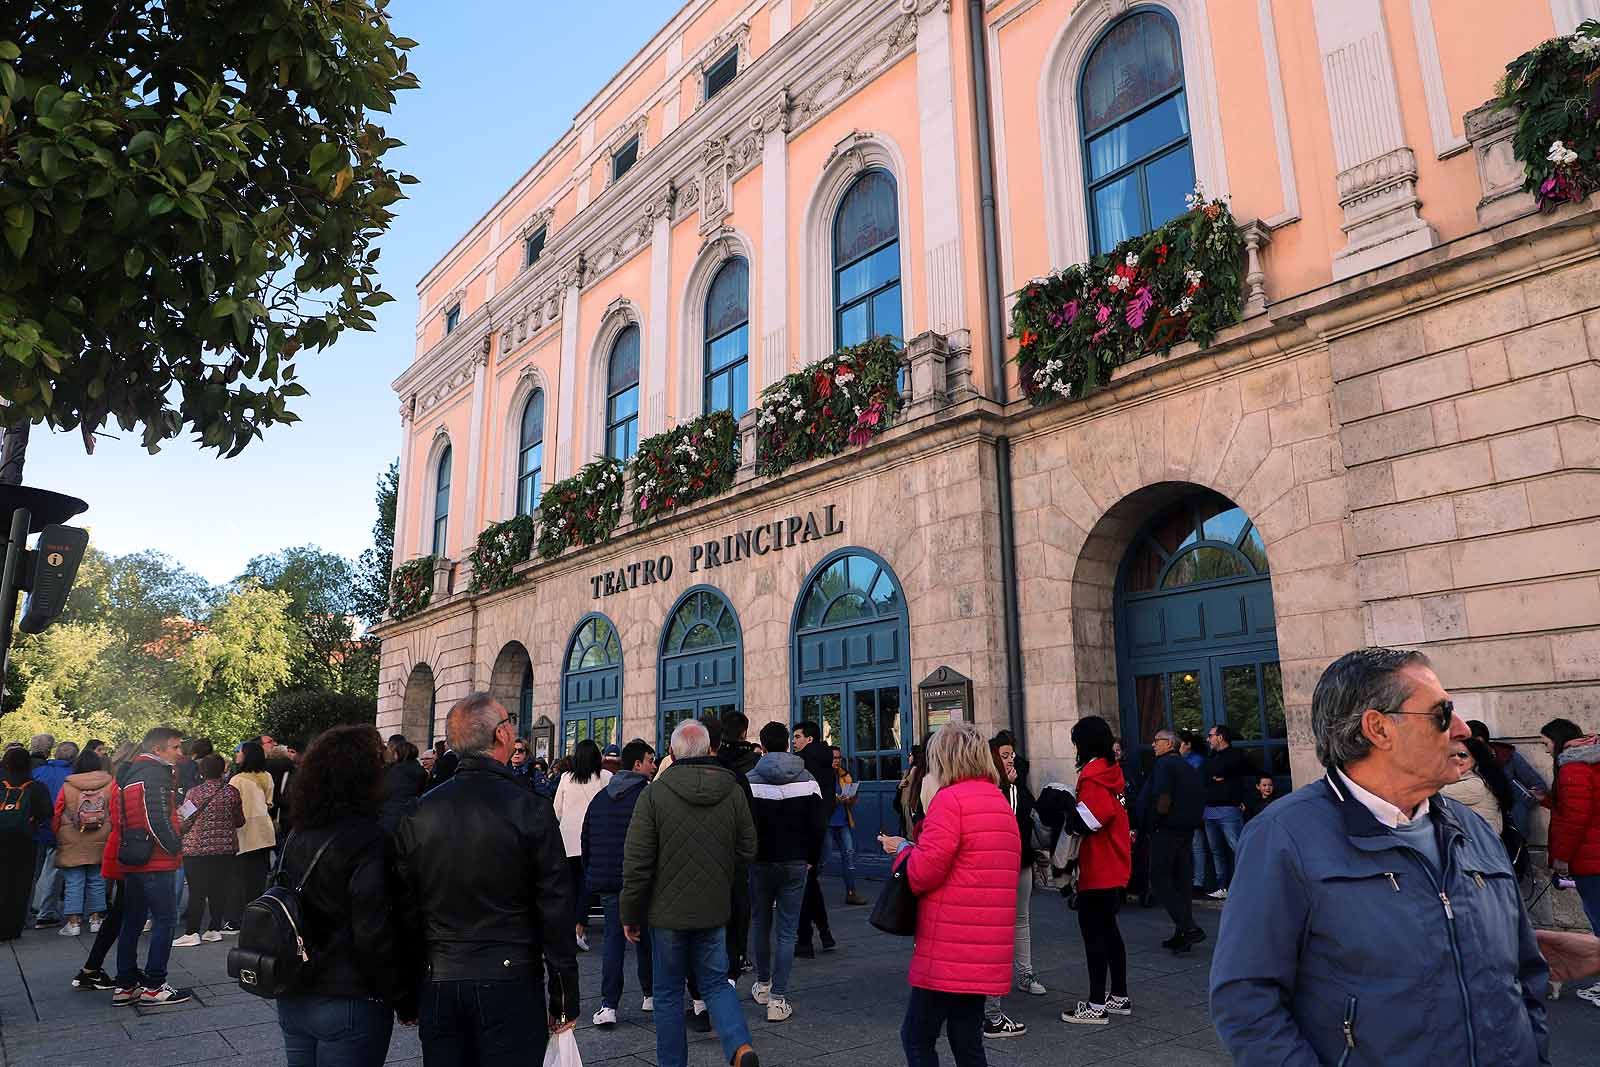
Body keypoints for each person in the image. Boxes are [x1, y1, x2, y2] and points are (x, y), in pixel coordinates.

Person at [1211, 648, 1549, 1065]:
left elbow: (1525, 973)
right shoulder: (1283, 838)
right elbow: (1247, 1004)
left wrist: (1533, 1053)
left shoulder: (1472, 828)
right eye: (1442, 714)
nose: (1461, 729)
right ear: (1379, 728)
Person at [394, 693, 579, 1065]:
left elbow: (404, 910)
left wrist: (408, 992)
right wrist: (563, 995)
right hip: (509, 980)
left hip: (441, 977)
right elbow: (555, 907)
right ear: (501, 733)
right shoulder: (530, 808)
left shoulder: (420, 811)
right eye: (509, 721)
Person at [878, 721, 1020, 1066]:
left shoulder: (950, 800)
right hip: (984, 943)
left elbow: (922, 874)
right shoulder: (998, 801)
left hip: (950, 945)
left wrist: (904, 851)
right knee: (967, 1039)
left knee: (916, 1037)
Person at [620, 719, 759, 1067]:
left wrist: (630, 913)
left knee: (667, 993)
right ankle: (740, 1045)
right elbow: (748, 848)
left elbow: (637, 863)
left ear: (672, 753)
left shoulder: (654, 794)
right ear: (709, 749)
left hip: (666, 913)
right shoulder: (732, 790)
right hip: (713, 906)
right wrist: (721, 874)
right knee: (715, 982)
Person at [276, 726, 416, 1067]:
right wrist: (402, 997)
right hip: (349, 996)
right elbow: (373, 932)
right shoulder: (369, 839)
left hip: (295, 989)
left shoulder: (298, 833)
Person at [106, 727, 192, 1006]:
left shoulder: (128, 775)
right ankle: (155, 986)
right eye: (176, 747)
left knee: (132, 921)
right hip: (156, 860)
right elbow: (155, 819)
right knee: (165, 920)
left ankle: (126, 984)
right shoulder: (155, 774)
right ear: (158, 750)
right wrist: (175, 842)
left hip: (133, 857)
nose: (180, 753)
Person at [745, 720, 825, 1023]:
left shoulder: (749, 779)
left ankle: (763, 984)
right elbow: (818, 827)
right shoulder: (807, 778)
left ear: (763, 747)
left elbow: (743, 825)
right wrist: (811, 858)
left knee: (760, 923)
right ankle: (778, 999)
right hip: (795, 861)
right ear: (788, 743)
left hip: (760, 862)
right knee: (788, 931)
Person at [1062, 715, 1133, 1026]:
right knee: (1110, 931)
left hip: (1099, 864)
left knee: (1094, 935)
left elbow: (1094, 817)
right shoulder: (1111, 770)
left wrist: (1068, 810)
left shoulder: (1091, 774)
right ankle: (1118, 995)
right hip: (1115, 861)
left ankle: (1095, 1004)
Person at [582, 738, 656, 1027]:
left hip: (609, 880)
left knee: (613, 941)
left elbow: (587, 838)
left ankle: (608, 1005)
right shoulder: (648, 796)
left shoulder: (601, 797)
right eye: (650, 761)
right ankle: (650, 993)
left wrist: (593, 872)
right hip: (641, 880)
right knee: (646, 937)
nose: (653, 766)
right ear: (637, 764)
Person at [978, 730, 1042, 1041]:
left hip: (1021, 860)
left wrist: (1016, 784)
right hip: (996, 864)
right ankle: (991, 994)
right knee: (993, 926)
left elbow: (1027, 815)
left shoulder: (1018, 782)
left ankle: (1025, 974)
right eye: (1004, 755)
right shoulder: (988, 786)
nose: (1010, 760)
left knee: (1022, 918)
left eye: (1011, 755)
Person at [1539, 716, 1600, 1008]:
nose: (1546, 751)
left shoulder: (1573, 768)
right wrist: (1549, 800)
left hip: (1592, 859)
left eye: (1547, 744)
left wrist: (1562, 858)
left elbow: (1575, 819)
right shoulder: (1589, 762)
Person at [1136, 729, 1205, 954]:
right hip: (1185, 829)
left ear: (1169, 744)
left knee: (1158, 877)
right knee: (1181, 880)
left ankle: (1188, 927)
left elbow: (1163, 798)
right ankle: (1182, 934)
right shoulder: (1187, 766)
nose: (1153, 745)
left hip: (1167, 829)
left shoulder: (1165, 765)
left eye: (1157, 741)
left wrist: (1153, 824)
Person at [173, 754, 242, 946]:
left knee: (197, 891)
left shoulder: (194, 793)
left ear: (202, 771)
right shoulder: (232, 792)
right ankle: (214, 929)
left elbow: (184, 819)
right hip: (225, 849)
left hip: (197, 849)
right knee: (219, 890)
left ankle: (192, 932)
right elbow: (239, 821)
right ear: (222, 770)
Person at [553, 738, 610, 951]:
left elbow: (556, 810)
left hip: (567, 840)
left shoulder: (566, 778)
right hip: (593, 840)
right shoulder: (606, 777)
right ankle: (579, 929)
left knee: (570, 887)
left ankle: (568, 929)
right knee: (587, 888)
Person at [51, 748, 114, 938]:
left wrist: (58, 832)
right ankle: (96, 919)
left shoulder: (68, 785)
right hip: (102, 836)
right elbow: (116, 809)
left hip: (72, 837)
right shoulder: (110, 783)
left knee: (73, 881)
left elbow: (57, 811)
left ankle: (73, 923)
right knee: (97, 879)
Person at [792, 719, 836, 957]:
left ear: (809, 739)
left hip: (803, 831)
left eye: (797, 736)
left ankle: (806, 939)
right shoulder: (828, 763)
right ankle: (824, 932)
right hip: (820, 829)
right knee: (810, 885)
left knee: (805, 888)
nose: (794, 741)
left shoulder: (804, 763)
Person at [1, 746, 51, 940]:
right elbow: (46, 812)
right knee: (20, 883)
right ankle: (12, 927)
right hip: (25, 840)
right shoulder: (35, 786)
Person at [1468, 719, 1548, 840]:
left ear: (1480, 740)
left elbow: (1538, 787)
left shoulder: (1506, 756)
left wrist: (1519, 803)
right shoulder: (1464, 762)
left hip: (1513, 828)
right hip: (1483, 831)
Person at [1201, 724, 1253, 900]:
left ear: (1220, 737)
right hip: (1209, 810)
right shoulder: (1211, 756)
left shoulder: (1235, 756)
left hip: (1228, 809)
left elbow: (1223, 771)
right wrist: (1215, 777)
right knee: (1216, 851)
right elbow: (1205, 774)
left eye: (1210, 735)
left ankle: (1249, 884)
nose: (1208, 739)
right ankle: (1223, 886)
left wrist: (1219, 776)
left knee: (1238, 848)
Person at [229, 740, 277, 930]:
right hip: (264, 832)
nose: (237, 754)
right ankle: (257, 917)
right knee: (258, 878)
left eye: (240, 751)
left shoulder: (237, 780)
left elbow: (231, 807)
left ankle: (237, 919)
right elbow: (270, 803)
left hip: (244, 832)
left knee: (239, 878)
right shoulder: (267, 777)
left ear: (247, 755)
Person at [29, 739, 77, 928]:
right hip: (59, 827)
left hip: (36, 825)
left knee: (34, 871)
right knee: (53, 870)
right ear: (74, 758)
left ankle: (32, 905)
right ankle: (46, 911)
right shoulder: (72, 776)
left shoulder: (38, 772)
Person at [1440, 736, 1514, 837]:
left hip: (1477, 845)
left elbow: (1432, 792)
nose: (1456, 759)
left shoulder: (1475, 785)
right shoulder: (1478, 778)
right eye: (1452, 755)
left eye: (1462, 755)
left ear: (1476, 758)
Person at [826, 746, 866, 906]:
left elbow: (854, 799)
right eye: (834, 758)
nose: (836, 761)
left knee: (849, 855)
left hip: (842, 820)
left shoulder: (844, 774)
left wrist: (850, 798)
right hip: (828, 822)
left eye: (839, 758)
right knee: (824, 857)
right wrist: (835, 799)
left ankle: (851, 892)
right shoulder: (824, 776)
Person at [1178, 731, 1212, 897]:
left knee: (1197, 847)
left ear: (1188, 744)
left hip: (1192, 809)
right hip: (1188, 809)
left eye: (1181, 743)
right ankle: (1194, 881)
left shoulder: (1195, 762)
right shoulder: (1188, 761)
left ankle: (1198, 882)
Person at [380, 737, 426, 834]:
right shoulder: (420, 770)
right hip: (414, 816)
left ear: (397, 754)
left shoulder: (394, 771)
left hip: (392, 816)